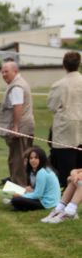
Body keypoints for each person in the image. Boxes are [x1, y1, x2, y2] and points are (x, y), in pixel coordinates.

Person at [47, 51, 82, 188]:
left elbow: (51, 105)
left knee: (66, 165)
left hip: (65, 129)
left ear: (64, 65)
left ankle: (67, 191)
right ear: (79, 64)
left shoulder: (59, 85)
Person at [0, 60, 35, 187]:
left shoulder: (17, 86)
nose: (3, 74)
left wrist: (15, 127)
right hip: (24, 127)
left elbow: (17, 106)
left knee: (18, 161)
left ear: (15, 71)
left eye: (6, 71)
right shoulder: (16, 84)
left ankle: (20, 189)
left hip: (21, 129)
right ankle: (24, 187)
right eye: (2, 72)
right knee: (19, 159)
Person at [9, 146, 61, 212]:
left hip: (47, 203)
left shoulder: (42, 172)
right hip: (45, 199)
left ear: (42, 159)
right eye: (31, 158)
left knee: (16, 200)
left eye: (36, 158)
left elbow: (37, 195)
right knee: (17, 196)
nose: (33, 160)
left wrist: (22, 195)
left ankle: (20, 205)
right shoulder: (37, 171)